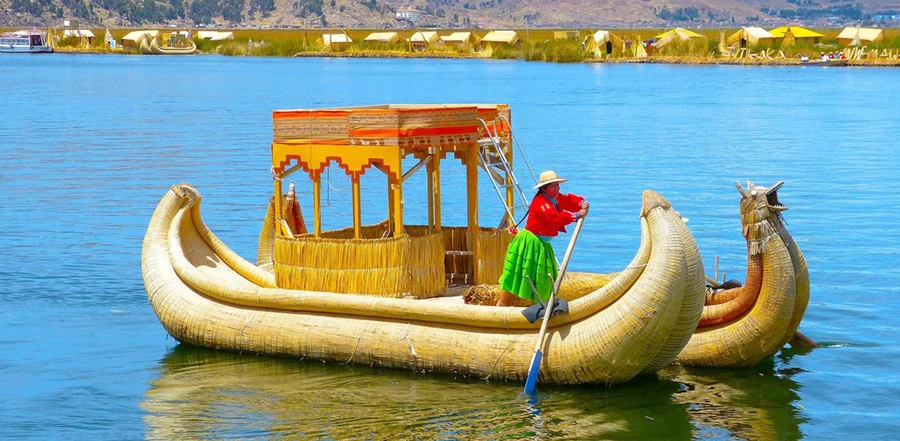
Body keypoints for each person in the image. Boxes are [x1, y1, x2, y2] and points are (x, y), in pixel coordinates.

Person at [496, 171, 589, 307]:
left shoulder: (554, 198)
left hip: (542, 244)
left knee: (543, 276)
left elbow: (568, 200)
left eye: (557, 185)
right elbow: (554, 218)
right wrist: (575, 216)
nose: (557, 189)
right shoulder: (541, 202)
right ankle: (502, 304)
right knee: (516, 272)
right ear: (544, 188)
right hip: (530, 242)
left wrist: (581, 203)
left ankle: (538, 305)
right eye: (553, 186)